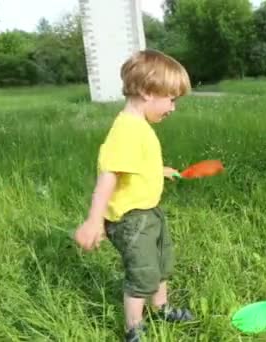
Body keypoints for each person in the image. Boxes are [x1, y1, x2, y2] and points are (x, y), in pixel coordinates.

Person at [73, 49, 193, 341]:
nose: (173, 107)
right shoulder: (126, 130)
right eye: (171, 98)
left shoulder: (139, 126)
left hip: (149, 212)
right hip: (130, 218)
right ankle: (133, 329)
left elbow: (133, 164)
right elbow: (108, 177)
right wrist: (93, 220)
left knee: (161, 263)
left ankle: (161, 307)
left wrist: (158, 170)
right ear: (147, 91)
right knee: (142, 273)